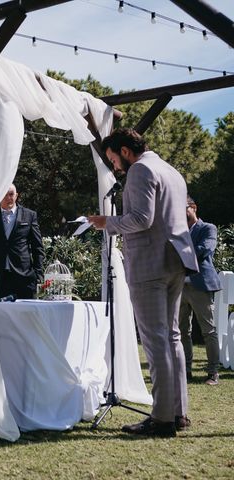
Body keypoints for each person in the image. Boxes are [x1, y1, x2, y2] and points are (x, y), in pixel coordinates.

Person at [88, 128, 198, 437]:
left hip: (150, 263)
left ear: (125, 151)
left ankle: (162, 418)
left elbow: (141, 219)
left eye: (113, 159)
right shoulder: (171, 171)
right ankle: (179, 412)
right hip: (177, 260)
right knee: (172, 337)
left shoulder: (140, 170)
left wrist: (106, 223)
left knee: (156, 339)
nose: (115, 167)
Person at [179, 196, 222, 385]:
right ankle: (185, 371)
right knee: (181, 332)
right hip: (179, 286)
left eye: (183, 207)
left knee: (208, 331)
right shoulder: (177, 231)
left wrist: (179, 254)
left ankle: (213, 372)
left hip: (201, 285)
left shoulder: (208, 228)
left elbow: (204, 250)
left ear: (193, 208)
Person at [0, 185, 45, 299]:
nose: (8, 198)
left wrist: (38, 276)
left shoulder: (29, 215)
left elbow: (37, 248)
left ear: (16, 195)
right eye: (4, 195)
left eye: (11, 194)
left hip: (24, 278)